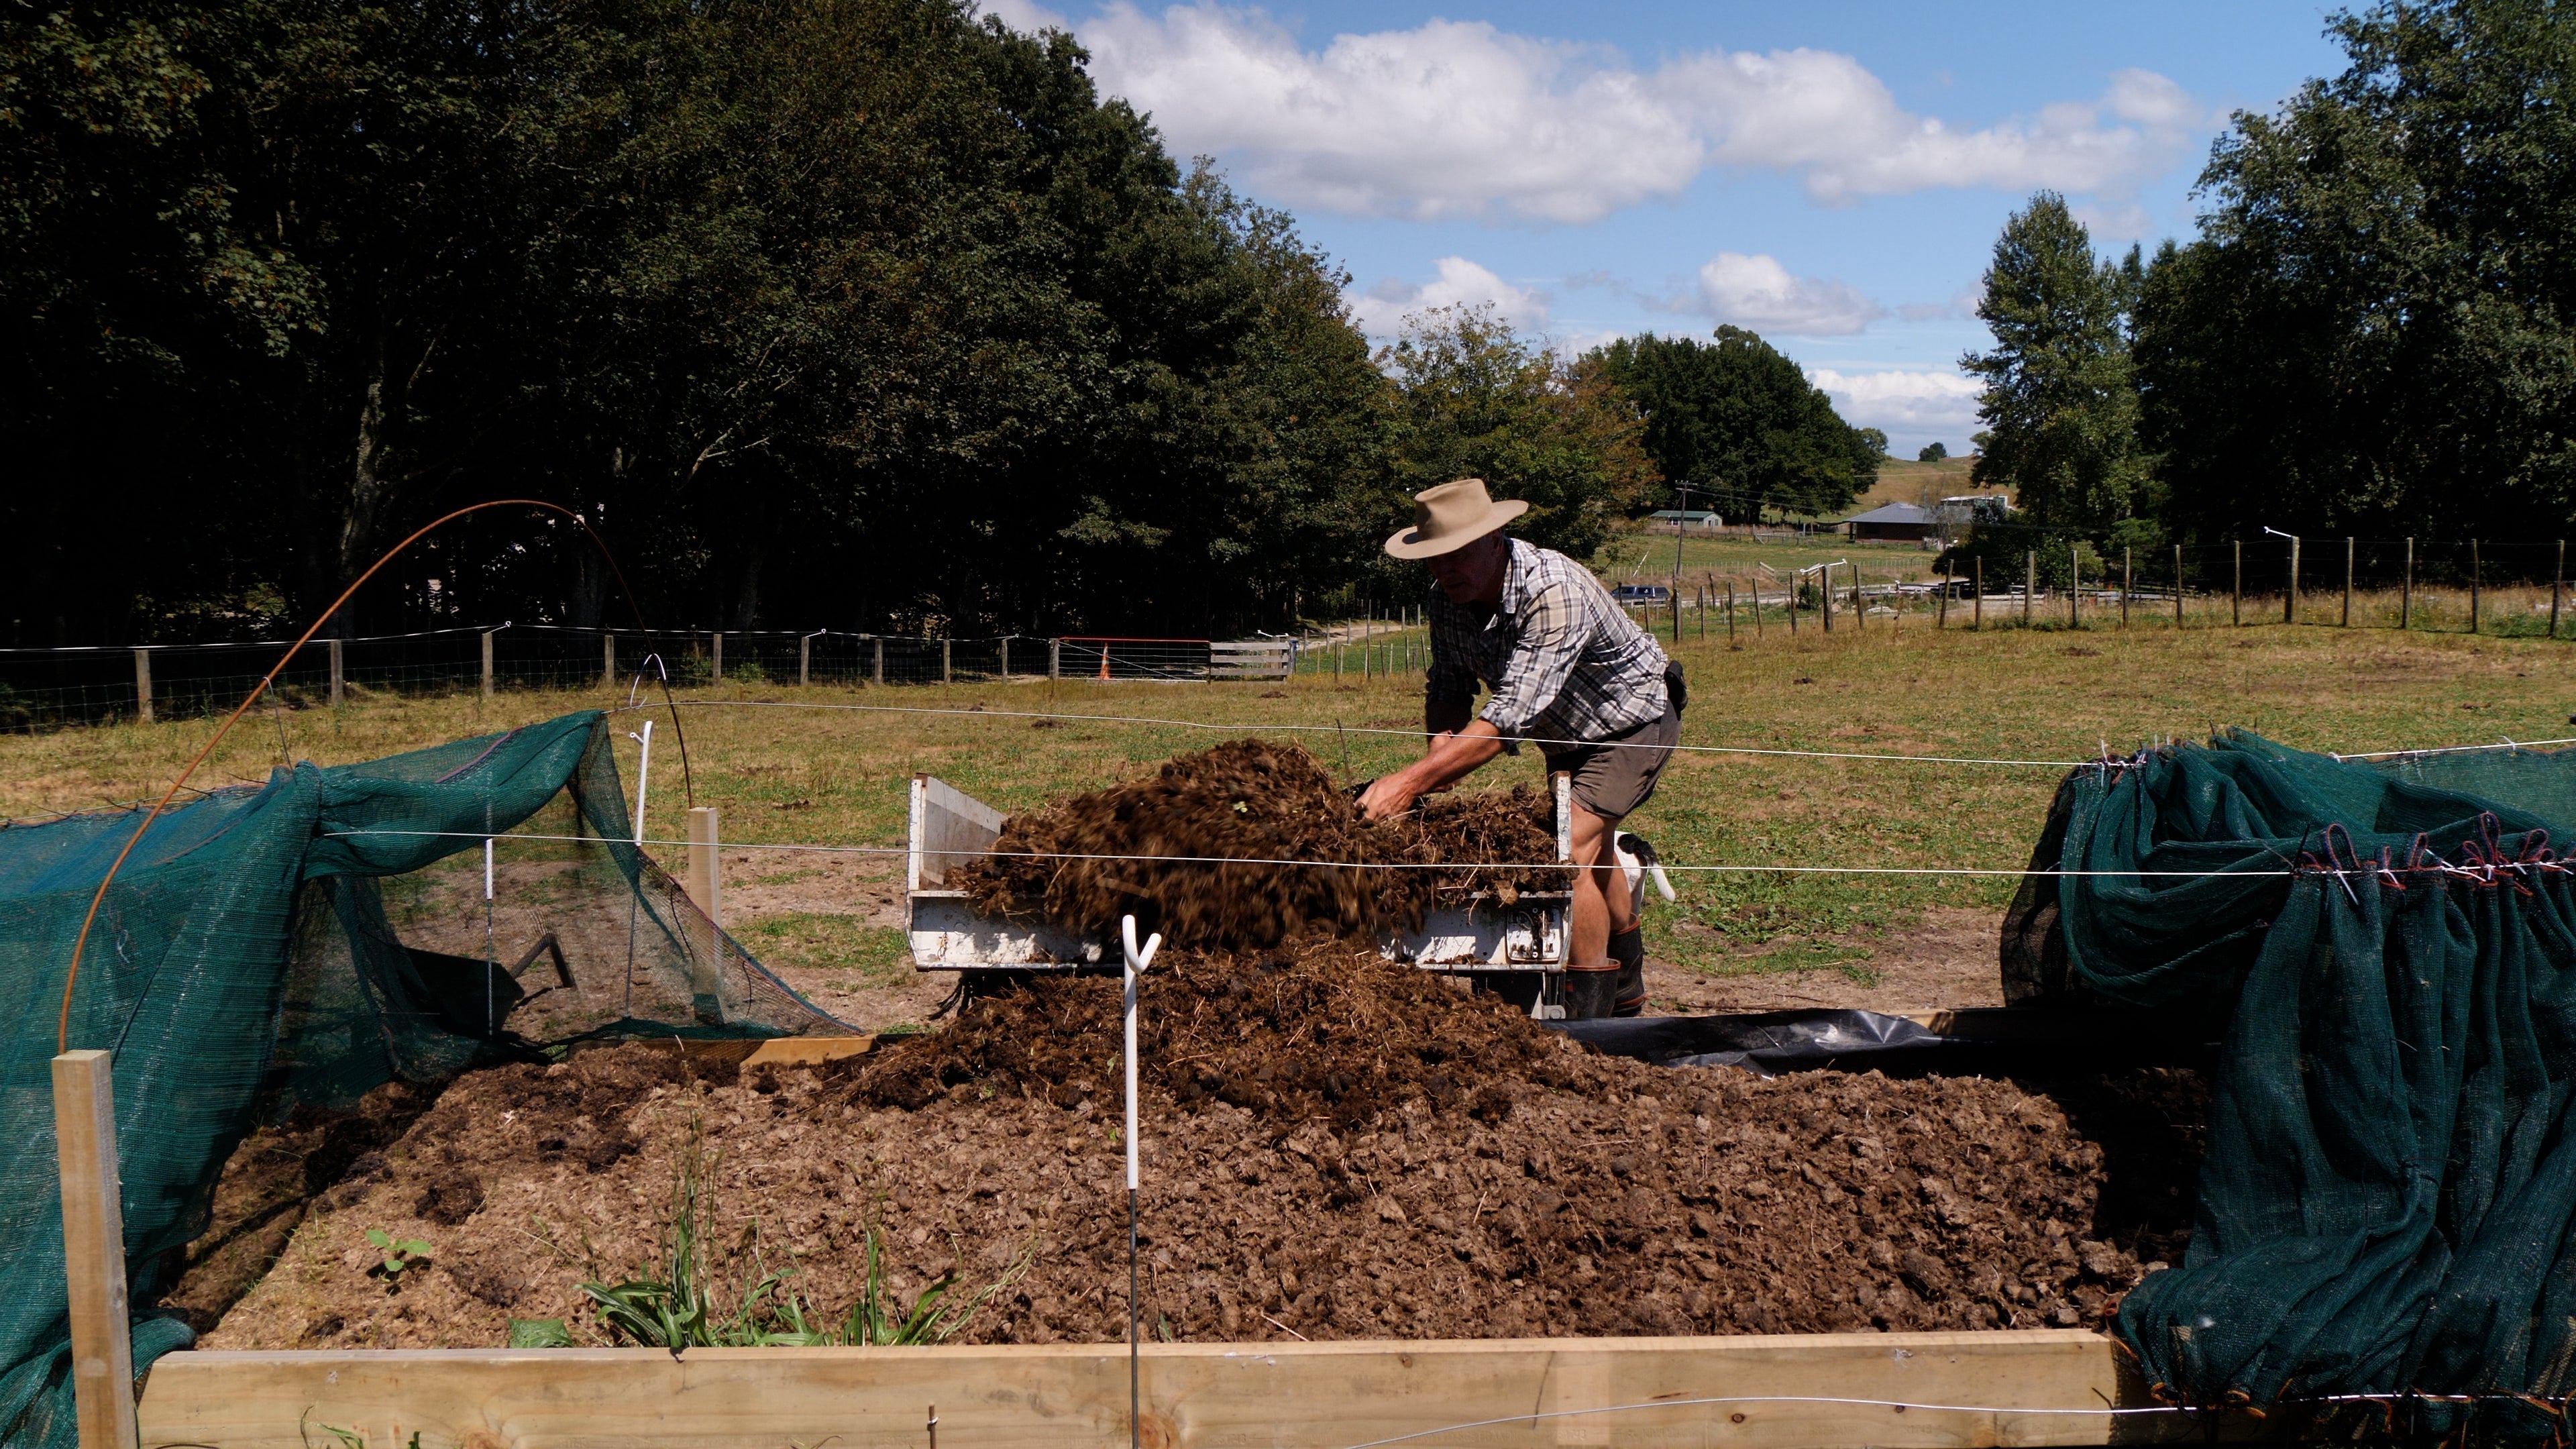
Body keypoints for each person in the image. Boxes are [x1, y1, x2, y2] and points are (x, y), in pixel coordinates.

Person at [1358, 478, 1682, 1019]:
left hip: (1632, 721)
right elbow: (1448, 686)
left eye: (1458, 553)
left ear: (1495, 538)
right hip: (1566, 731)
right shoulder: (1448, 600)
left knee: (1568, 852)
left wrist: (1412, 782)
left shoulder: (1551, 590)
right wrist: (1443, 754)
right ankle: (1627, 990)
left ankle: (1589, 1020)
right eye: (1435, 559)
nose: (1445, 570)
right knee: (1597, 850)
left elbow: (1511, 715)